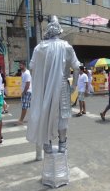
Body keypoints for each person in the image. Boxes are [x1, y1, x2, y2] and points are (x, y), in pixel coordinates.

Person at [26, 16, 80, 157]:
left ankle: (47, 144)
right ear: (59, 32)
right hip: (62, 85)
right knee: (63, 116)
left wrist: (39, 81)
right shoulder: (66, 46)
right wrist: (74, 85)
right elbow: (77, 67)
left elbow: (31, 67)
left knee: (46, 113)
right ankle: (62, 144)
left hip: (44, 87)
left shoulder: (39, 47)